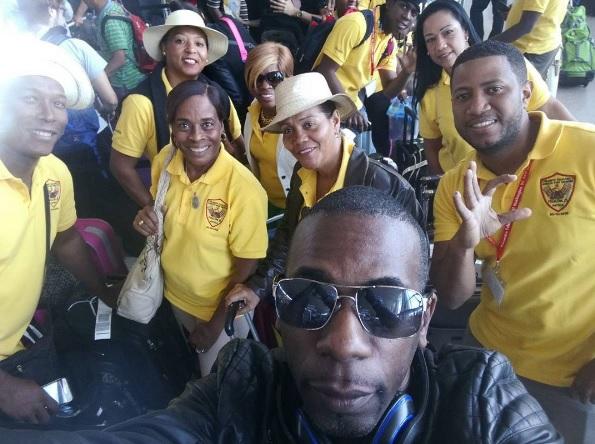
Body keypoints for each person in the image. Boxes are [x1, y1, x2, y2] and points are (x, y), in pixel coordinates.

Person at [0, 186, 563, 442]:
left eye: (387, 305)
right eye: (310, 300)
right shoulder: (235, 399)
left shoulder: (481, 404)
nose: (344, 342)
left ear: (424, 321)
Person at [431, 40, 595, 444]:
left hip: (572, 376)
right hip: (487, 356)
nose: (477, 106)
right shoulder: (456, 184)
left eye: (494, 89)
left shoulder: (588, 150)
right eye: (463, 96)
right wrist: (464, 244)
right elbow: (452, 296)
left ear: (525, 93)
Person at [225, 72, 422, 324]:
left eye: (309, 124)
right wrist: (257, 287)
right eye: (288, 130)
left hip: (366, 316)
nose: (298, 139)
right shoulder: (302, 173)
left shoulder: (384, 185)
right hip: (315, 304)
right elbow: (290, 234)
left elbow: (412, 268)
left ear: (335, 121)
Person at [0, 39, 119, 425]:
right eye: (30, 99)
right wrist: (3, 387)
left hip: (25, 341)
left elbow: (67, 241)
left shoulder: (54, 172)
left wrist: (105, 292)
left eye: (58, 103)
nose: (49, 115)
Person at [133, 79, 268, 376]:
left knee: (217, 386)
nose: (196, 137)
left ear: (222, 127)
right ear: (171, 127)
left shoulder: (243, 189)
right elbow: (160, 212)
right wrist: (146, 218)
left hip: (219, 311)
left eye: (207, 124)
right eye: (184, 125)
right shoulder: (164, 161)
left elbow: (247, 264)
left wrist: (216, 324)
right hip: (173, 296)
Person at [413, 0, 574, 175]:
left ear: (465, 31)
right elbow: (432, 149)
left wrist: (585, 147)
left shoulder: (507, 65)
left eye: (448, 32)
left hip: (520, 181)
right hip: (464, 186)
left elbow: (550, 108)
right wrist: (445, 185)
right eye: (431, 39)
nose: (440, 45)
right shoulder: (431, 93)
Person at [110, 9, 244, 212]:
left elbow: (238, 144)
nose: (191, 49)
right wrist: (154, 208)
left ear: (206, 54)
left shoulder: (218, 94)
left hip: (222, 199)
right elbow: (121, 165)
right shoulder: (141, 103)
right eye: (180, 41)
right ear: (164, 47)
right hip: (176, 204)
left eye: (199, 44)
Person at [314, 0, 420, 154]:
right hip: (323, 99)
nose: (407, 16)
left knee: (366, 154)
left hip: (350, 104)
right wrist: (350, 109)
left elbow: (388, 91)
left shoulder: (389, 41)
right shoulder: (357, 23)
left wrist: (406, 72)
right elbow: (325, 71)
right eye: (404, 6)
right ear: (389, 3)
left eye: (414, 12)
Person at [243, 42, 296, 213]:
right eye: (258, 78)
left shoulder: (299, 118)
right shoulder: (252, 113)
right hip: (264, 203)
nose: (265, 85)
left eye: (274, 77)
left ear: (288, 77)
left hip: (297, 207)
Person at [81, 0, 146, 98]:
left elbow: (119, 59)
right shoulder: (113, 7)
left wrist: (98, 80)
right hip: (131, 79)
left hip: (126, 82)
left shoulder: (110, 21)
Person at [493, 0, 570, 80]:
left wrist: (489, 45)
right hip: (543, 43)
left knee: (520, 84)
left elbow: (525, 26)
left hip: (531, 48)